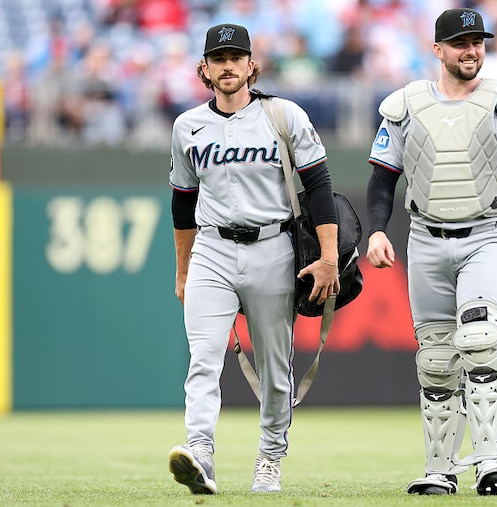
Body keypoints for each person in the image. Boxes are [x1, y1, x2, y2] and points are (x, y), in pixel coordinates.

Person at [366, 8, 497, 496]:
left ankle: (489, 461)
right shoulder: (404, 105)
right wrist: (377, 231)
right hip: (424, 238)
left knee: (481, 342)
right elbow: (382, 179)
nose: (471, 50)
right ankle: (440, 468)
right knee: (437, 360)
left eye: (478, 41)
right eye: (460, 42)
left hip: (484, 235)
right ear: (437, 49)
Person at [167, 23, 339, 495]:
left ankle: (269, 458)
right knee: (203, 358)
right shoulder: (188, 126)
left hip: (273, 246)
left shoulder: (283, 115)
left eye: (235, 57)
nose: (227, 65)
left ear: (251, 65)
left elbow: (320, 187)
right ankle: (199, 454)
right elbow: (183, 202)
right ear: (204, 68)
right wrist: (183, 268)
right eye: (218, 58)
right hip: (212, 249)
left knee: (275, 366)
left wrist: (328, 257)